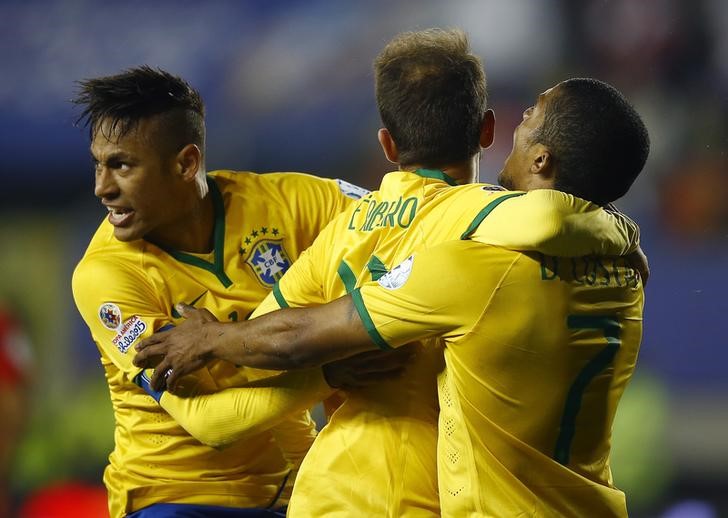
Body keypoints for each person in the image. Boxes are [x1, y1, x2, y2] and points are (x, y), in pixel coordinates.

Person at [135, 33, 647, 517]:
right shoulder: (621, 275)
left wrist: (228, 345)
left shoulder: (414, 247)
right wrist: (622, 232)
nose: (521, 120)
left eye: (532, 114)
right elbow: (554, 218)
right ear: (485, 131)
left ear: (386, 142)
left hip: (345, 491)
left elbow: (274, 348)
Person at [70, 66, 366, 517]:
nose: (102, 188)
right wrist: (333, 372)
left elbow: (403, 215)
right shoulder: (106, 275)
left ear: (186, 163)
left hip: (298, 494)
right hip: (175, 501)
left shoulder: (284, 203)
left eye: (121, 165)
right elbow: (208, 423)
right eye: (98, 164)